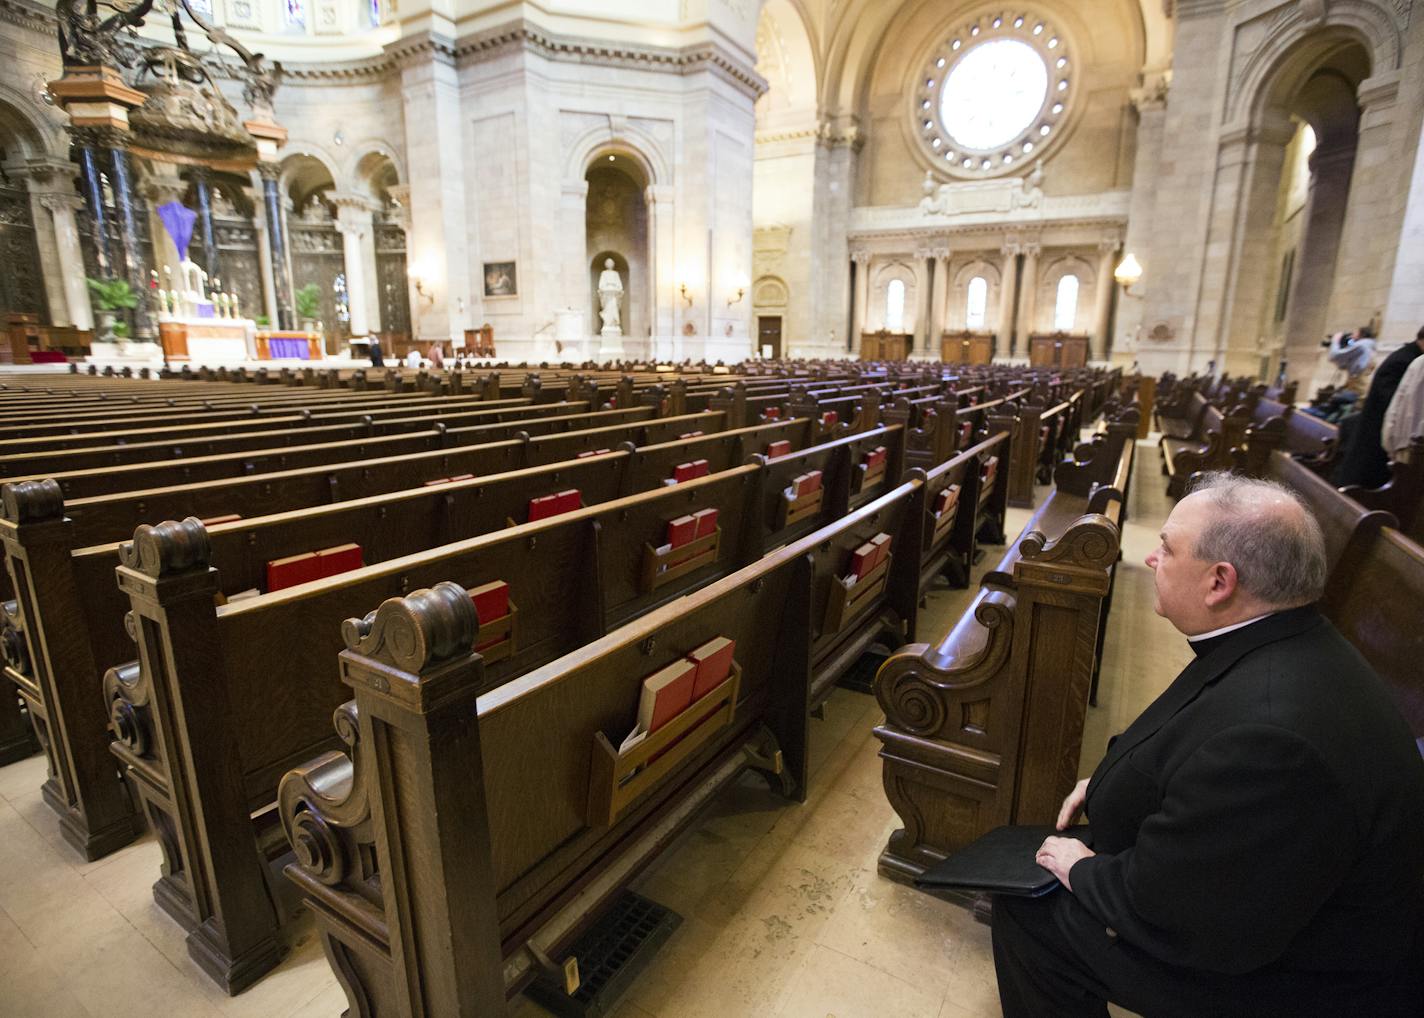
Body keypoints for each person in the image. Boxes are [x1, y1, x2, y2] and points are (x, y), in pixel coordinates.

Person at [992, 473, 1424, 1018]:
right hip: (1283, 915)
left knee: (1032, 917)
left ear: (1219, 582)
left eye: (1168, 548)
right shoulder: (1284, 637)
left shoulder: (1270, 742)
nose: (1151, 558)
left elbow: (1187, 913)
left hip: (1310, 982)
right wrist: (1107, 785)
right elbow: (1198, 746)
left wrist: (1083, 870)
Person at [1333, 325, 1423, 487]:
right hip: (1376, 433)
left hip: (1379, 430)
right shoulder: (1405, 360)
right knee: (1365, 482)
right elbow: (1396, 402)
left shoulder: (1409, 356)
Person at [1382, 327, 1424, 464]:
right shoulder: (1419, 363)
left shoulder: (1418, 362)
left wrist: (1390, 442)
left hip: (1406, 443)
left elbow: (1395, 408)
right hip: (1413, 446)